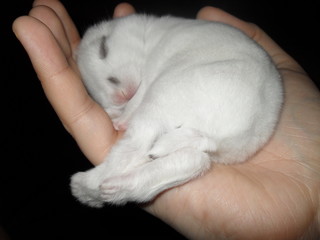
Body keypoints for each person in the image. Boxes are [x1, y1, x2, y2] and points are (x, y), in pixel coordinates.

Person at [13, 1, 320, 239]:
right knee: (169, 115)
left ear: (111, 41)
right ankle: (182, 164)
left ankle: (110, 172)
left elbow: (154, 94)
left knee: (153, 112)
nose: (119, 97)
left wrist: (130, 114)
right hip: (241, 138)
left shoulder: (159, 38)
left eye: (113, 81)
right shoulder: (162, 43)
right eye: (110, 100)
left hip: (231, 81)